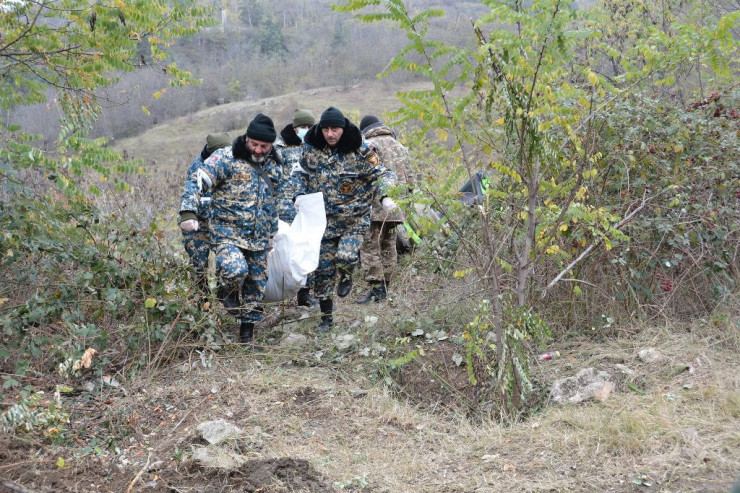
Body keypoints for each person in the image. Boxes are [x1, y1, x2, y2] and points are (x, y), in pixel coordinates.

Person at [179, 114, 284, 344]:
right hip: (227, 234)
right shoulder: (226, 157)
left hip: (258, 237)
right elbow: (198, 180)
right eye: (254, 144)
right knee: (235, 270)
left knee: (257, 286)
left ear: (271, 145)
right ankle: (226, 290)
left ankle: (247, 335)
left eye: (263, 146)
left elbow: (272, 203)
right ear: (246, 138)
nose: (257, 150)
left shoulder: (276, 165)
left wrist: (271, 234)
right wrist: (188, 212)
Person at [294, 106, 397, 332]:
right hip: (323, 221)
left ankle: (347, 274)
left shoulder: (360, 150)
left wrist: (386, 195)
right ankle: (326, 318)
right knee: (323, 270)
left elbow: (383, 174)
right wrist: (299, 194)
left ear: (343, 129)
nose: (330, 134)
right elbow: (299, 173)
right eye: (326, 129)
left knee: (346, 257)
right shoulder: (312, 149)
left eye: (335, 129)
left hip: (354, 219)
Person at [357, 115, 415, 303]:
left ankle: (376, 289)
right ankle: (386, 285)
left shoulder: (369, 146)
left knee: (370, 245)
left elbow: (363, 177)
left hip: (375, 206)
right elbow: (412, 179)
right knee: (389, 244)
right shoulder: (400, 147)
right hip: (397, 207)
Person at [275, 108, 318, 308]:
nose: (306, 130)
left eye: (310, 126)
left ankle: (305, 293)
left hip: (307, 208)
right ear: (294, 127)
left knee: (307, 249)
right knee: (285, 251)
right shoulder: (279, 148)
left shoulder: (315, 147)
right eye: (303, 126)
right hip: (283, 209)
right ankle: (279, 290)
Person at [179, 133, 231, 297]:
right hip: (199, 225)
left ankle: (226, 295)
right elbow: (191, 194)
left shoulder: (233, 163)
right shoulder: (197, 167)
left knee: (227, 261)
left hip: (222, 224)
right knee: (198, 266)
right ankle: (202, 300)